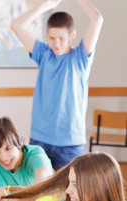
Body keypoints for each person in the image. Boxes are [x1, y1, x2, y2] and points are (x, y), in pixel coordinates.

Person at [11, 0, 103, 170]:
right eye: (52, 38)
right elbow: (16, 25)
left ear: (72, 35)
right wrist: (47, 6)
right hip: (40, 138)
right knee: (38, 192)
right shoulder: (44, 54)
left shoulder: (80, 57)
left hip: (70, 142)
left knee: (70, 192)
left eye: (61, 38)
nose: (56, 43)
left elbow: (97, 19)